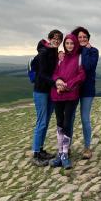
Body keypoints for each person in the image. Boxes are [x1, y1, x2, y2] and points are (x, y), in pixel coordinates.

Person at [49, 34, 86, 169]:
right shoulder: (61, 57)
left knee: (67, 123)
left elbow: (81, 75)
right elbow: (54, 73)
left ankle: (65, 154)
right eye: (67, 43)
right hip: (57, 95)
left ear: (75, 44)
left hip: (71, 95)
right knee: (59, 123)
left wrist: (67, 85)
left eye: (72, 43)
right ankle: (60, 153)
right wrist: (58, 81)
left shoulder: (79, 58)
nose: (69, 46)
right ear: (64, 44)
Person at [32, 29, 63, 167]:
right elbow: (42, 74)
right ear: (49, 38)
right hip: (41, 91)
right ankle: (36, 154)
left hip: (49, 91)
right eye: (54, 38)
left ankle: (41, 149)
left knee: (45, 121)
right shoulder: (44, 52)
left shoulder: (53, 51)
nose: (56, 41)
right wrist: (55, 82)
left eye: (59, 39)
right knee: (41, 122)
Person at [70, 26, 99, 160]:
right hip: (73, 89)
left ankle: (87, 147)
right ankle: (66, 146)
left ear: (88, 39)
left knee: (85, 118)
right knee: (69, 118)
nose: (82, 39)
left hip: (87, 89)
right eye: (80, 37)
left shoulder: (93, 51)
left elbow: (87, 67)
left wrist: (85, 50)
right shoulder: (74, 52)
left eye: (84, 37)